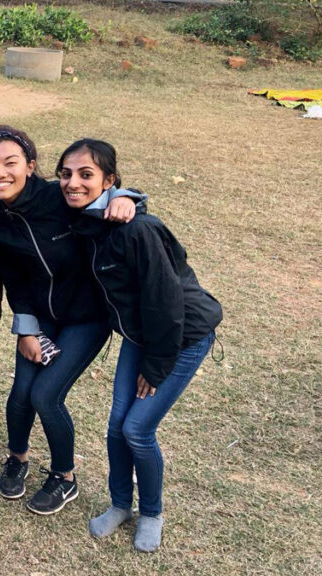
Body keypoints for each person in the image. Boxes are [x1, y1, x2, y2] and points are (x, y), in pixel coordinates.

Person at [60, 139, 222, 552]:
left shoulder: (137, 229)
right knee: (116, 425)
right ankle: (120, 505)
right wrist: (130, 197)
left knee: (137, 428)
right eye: (66, 173)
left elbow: (166, 304)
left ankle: (151, 512)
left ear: (110, 181)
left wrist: (156, 365)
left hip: (180, 335)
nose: (73, 183)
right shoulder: (87, 222)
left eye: (86, 175)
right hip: (140, 335)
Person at [0, 126, 141, 515]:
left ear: (31, 167)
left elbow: (104, 196)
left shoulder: (59, 196)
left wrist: (127, 200)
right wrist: (27, 329)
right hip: (41, 318)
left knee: (46, 395)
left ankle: (64, 477)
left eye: (10, 163)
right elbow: (15, 280)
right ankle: (17, 458)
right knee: (21, 392)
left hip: (87, 319)